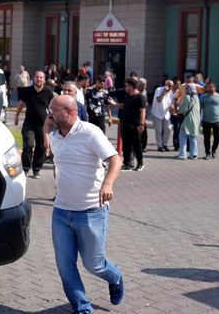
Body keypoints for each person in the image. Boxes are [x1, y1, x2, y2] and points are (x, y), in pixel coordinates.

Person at [47, 94, 124, 314]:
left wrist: (108, 183)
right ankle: (82, 307)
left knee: (94, 264)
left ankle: (115, 276)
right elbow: (47, 141)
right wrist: (46, 125)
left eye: (53, 109)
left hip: (91, 211)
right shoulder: (56, 136)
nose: (49, 113)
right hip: (61, 212)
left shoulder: (90, 132)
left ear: (69, 112)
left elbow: (115, 159)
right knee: (65, 265)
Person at [14, 70, 54, 179]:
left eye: (41, 77)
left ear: (44, 80)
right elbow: (21, 103)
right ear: (34, 79)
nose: (39, 79)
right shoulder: (28, 90)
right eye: (37, 77)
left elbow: (53, 107)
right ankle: (26, 168)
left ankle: (36, 169)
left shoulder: (48, 91)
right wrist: (16, 116)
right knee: (28, 144)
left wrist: (52, 119)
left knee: (41, 147)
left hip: (43, 126)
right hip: (29, 124)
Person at [120, 77, 147, 171]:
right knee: (126, 145)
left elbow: (143, 111)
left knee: (137, 145)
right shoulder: (127, 95)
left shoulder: (140, 97)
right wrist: (115, 104)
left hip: (136, 125)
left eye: (127, 86)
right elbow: (124, 106)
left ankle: (140, 163)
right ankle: (127, 163)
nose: (125, 87)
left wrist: (141, 124)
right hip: (126, 123)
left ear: (131, 86)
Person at [199, 82, 219, 159]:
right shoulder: (203, 97)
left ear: (215, 88)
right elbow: (199, 108)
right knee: (206, 138)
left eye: (211, 87)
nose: (209, 89)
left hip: (217, 120)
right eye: (208, 87)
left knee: (217, 138)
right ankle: (207, 153)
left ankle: (214, 150)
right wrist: (198, 118)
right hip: (206, 120)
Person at [175, 83, 201, 160]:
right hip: (195, 120)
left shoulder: (186, 97)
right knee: (193, 137)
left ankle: (183, 154)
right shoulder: (197, 98)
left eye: (186, 88)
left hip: (187, 120)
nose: (185, 90)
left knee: (182, 136)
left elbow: (183, 110)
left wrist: (177, 105)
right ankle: (194, 154)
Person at [151, 80, 174, 151]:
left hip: (166, 113)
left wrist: (172, 106)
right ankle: (160, 146)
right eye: (169, 86)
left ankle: (165, 144)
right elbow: (159, 99)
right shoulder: (158, 90)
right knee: (158, 130)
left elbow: (171, 102)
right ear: (165, 85)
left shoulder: (171, 92)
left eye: (171, 86)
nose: (170, 88)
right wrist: (164, 92)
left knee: (168, 128)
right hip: (157, 113)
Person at [138, 78, 148, 152]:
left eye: (145, 85)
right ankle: (138, 146)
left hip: (143, 113)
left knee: (144, 130)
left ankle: (143, 146)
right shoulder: (136, 92)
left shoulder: (144, 92)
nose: (145, 86)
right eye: (143, 85)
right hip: (137, 113)